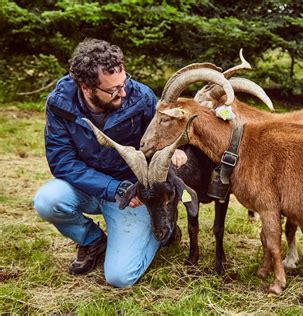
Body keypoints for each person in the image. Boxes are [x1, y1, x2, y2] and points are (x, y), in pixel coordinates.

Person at [33, 38, 187, 288]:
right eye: (113, 90)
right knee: (47, 201)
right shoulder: (60, 103)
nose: (123, 92)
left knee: (120, 277)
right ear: (86, 87)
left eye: (123, 83)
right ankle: (92, 240)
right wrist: (113, 188)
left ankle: (165, 231)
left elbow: (160, 137)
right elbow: (62, 161)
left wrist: (173, 150)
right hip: (90, 187)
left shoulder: (142, 97)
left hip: (132, 195)